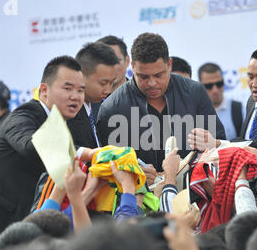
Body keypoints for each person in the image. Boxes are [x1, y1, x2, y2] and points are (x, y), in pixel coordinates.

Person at [0, 56, 96, 237]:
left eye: (81, 90)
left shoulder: (61, 125)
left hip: (15, 223)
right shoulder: (26, 113)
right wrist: (86, 153)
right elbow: (30, 146)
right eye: (67, 88)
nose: (75, 96)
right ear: (44, 90)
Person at [97, 32, 225, 173]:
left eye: (158, 75)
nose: (152, 83)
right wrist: (134, 173)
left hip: (193, 190)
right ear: (132, 67)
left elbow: (219, 145)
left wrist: (211, 148)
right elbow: (107, 166)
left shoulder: (195, 93)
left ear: (169, 64)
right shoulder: (111, 108)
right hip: (142, 193)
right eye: (143, 76)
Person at [67, 42, 118, 150]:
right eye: (103, 83)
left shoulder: (97, 107)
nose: (108, 90)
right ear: (81, 75)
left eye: (112, 83)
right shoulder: (67, 114)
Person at [198, 62, 242, 140]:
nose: (215, 90)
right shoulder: (193, 111)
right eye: (209, 86)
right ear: (199, 86)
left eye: (219, 84)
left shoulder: (239, 110)